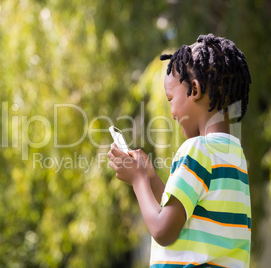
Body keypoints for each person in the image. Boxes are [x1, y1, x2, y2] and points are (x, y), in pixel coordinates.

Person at [107, 33, 252, 268]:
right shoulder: (235, 156)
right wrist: (152, 179)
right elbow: (184, 215)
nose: (171, 112)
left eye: (170, 99)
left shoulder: (197, 149)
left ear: (194, 90)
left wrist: (138, 181)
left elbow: (163, 230)